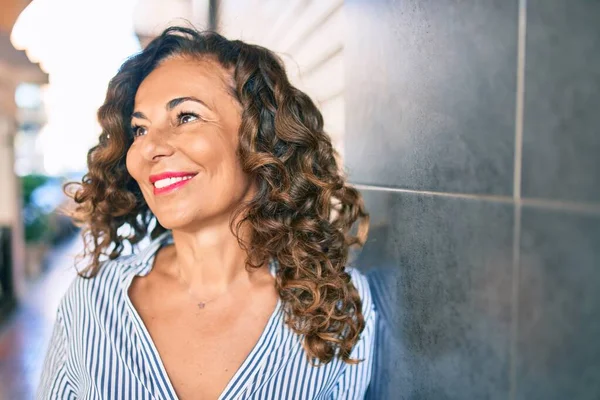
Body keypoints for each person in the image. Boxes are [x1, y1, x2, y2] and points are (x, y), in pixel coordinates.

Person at [38, 26, 376, 400]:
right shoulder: (91, 302)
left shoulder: (335, 306)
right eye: (139, 129)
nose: (150, 148)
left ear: (260, 136)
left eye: (185, 117)